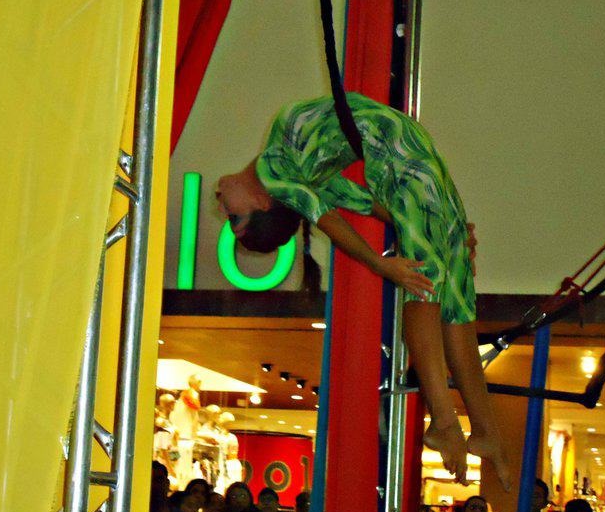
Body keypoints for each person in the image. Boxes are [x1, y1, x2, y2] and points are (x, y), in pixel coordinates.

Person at [215, 92, 509, 488]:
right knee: (437, 292)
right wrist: (382, 260)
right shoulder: (276, 173)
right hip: (403, 153)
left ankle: (472, 426)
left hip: (406, 149)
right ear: (264, 203)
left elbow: (369, 207)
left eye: (230, 219)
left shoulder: (293, 166)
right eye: (234, 218)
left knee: (445, 290)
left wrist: (438, 224)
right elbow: (331, 219)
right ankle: (462, 424)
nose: (222, 207)